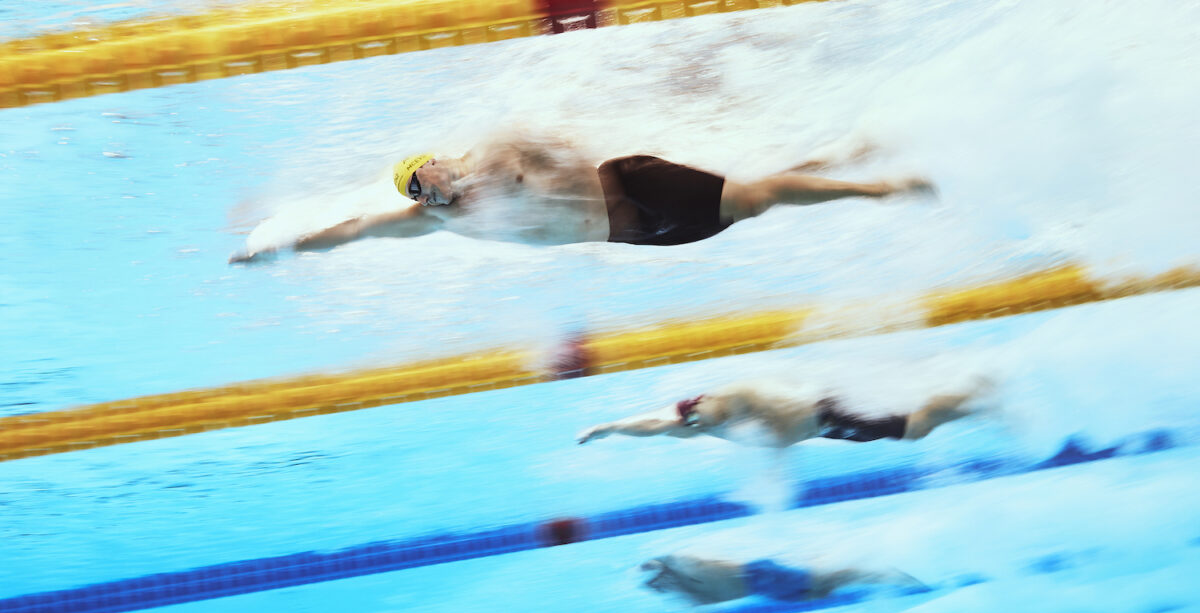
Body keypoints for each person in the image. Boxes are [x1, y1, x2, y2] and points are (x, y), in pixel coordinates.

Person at [229, 132, 933, 262]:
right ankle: (842, 157)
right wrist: (279, 245)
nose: (425, 191)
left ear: (440, 160)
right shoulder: (434, 226)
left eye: (424, 176)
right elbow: (352, 230)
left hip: (627, 185)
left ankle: (882, 187)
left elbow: (564, 143)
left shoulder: (495, 154)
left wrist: (539, 170)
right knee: (754, 196)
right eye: (415, 190)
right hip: (629, 234)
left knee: (753, 198)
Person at [577, 376, 989, 448]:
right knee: (915, 427)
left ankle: (978, 394)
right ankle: (976, 399)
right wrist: (613, 428)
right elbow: (654, 425)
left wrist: (610, 426)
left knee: (914, 425)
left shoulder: (721, 404)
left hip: (830, 413)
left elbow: (656, 424)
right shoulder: (699, 423)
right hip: (828, 424)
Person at [640, 553, 926, 607]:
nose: (659, 590)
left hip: (760, 575)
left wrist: (656, 570)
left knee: (837, 578)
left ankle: (888, 571)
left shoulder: (682, 565)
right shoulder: (688, 594)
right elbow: (704, 602)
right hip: (764, 589)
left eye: (657, 584)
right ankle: (885, 573)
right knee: (827, 588)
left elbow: (662, 560)